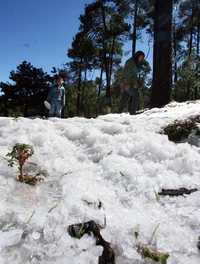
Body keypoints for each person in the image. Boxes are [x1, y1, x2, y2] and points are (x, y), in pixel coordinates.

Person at [119, 51, 146, 115]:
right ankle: (133, 112)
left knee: (125, 98)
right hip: (127, 83)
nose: (141, 59)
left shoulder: (135, 63)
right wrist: (126, 84)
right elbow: (127, 73)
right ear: (137, 56)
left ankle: (118, 112)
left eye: (142, 58)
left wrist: (136, 82)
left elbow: (134, 75)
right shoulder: (130, 62)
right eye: (141, 57)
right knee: (136, 95)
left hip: (129, 83)